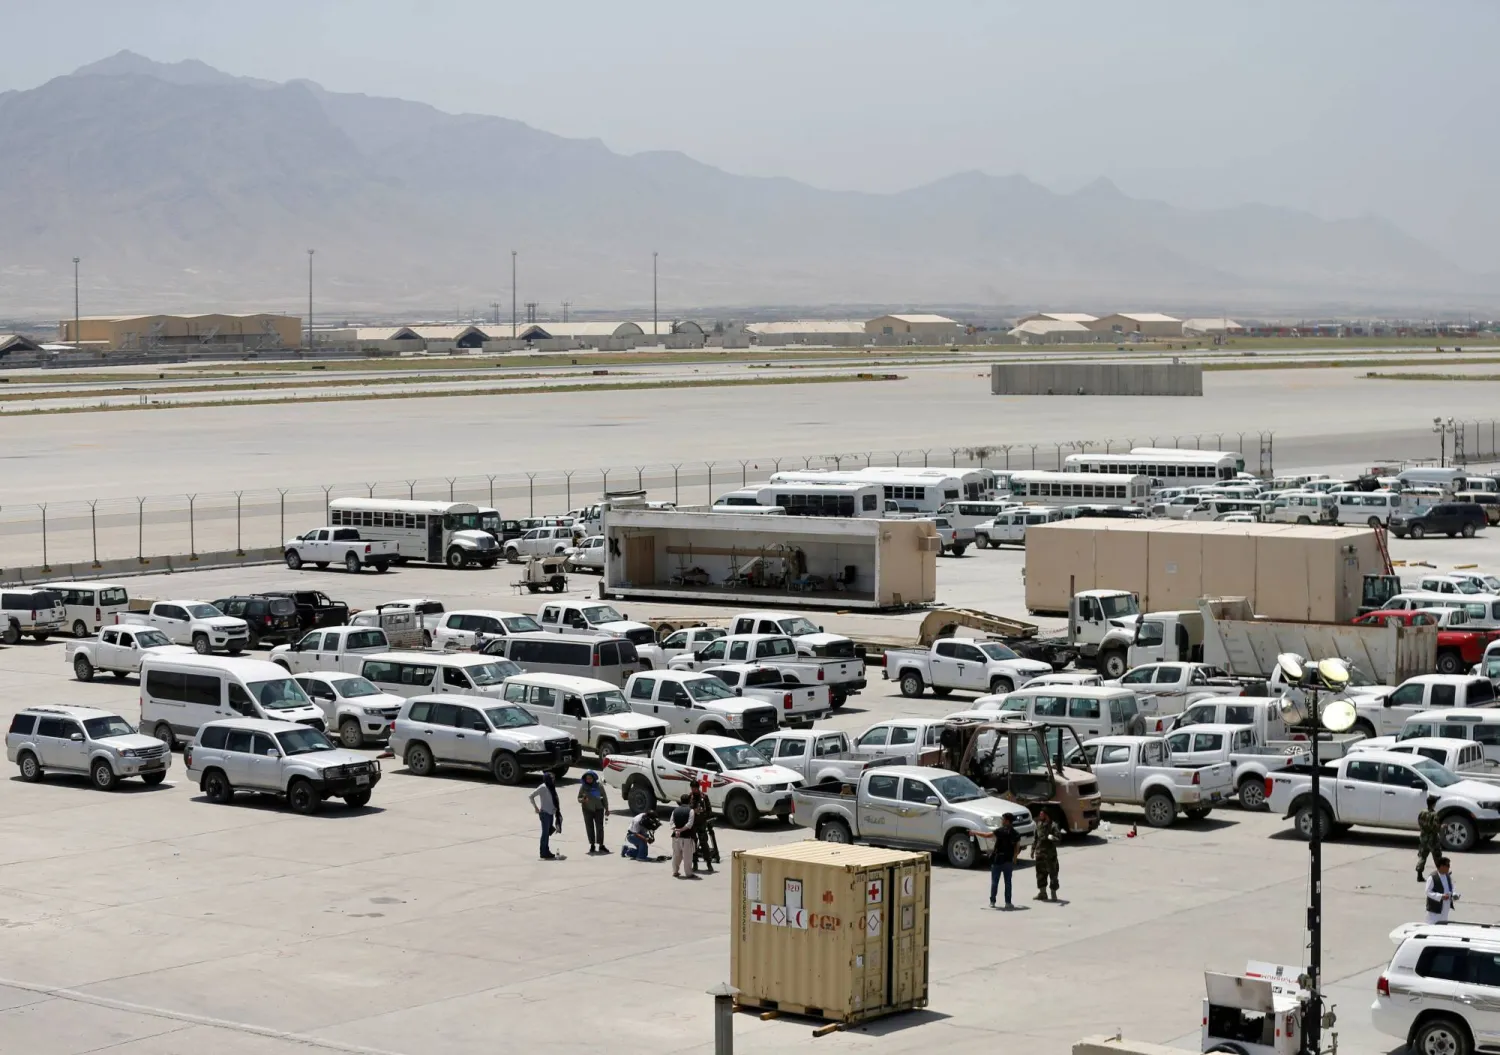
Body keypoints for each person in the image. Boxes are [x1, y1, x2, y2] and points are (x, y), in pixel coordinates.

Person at [989, 813, 1021, 909]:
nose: (1002, 821)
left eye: (1003, 819)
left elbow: (987, 835)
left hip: (997, 860)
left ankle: (992, 902)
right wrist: (1014, 858)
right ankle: (1008, 902)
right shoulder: (1015, 833)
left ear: (1007, 821)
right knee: (1008, 882)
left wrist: (975, 833)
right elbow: (1017, 848)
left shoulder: (1000, 831)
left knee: (995, 882)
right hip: (1008, 861)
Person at [529, 772, 562, 861]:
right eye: (551, 778)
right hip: (544, 813)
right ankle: (543, 852)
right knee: (545, 834)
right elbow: (531, 796)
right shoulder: (543, 787)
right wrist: (536, 808)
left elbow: (553, 799)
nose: (553, 780)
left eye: (554, 778)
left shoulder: (551, 787)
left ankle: (546, 851)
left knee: (547, 833)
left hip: (551, 813)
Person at [577, 770, 610, 854]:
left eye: (590, 778)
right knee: (589, 827)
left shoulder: (599, 786)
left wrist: (607, 808)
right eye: (587, 778)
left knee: (600, 827)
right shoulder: (583, 787)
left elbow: (604, 797)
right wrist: (583, 800)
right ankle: (592, 845)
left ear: (594, 778)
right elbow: (579, 798)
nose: (588, 780)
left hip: (599, 809)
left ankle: (601, 845)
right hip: (587, 810)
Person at [689, 783, 718, 873]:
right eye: (692, 788)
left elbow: (709, 810)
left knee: (704, 844)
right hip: (693, 824)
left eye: (695, 788)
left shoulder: (704, 797)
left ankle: (708, 863)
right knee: (693, 844)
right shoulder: (690, 797)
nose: (694, 790)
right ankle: (695, 863)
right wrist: (693, 811)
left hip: (702, 823)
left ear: (698, 788)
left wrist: (703, 813)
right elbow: (687, 809)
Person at [1033, 810, 1060, 902]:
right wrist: (1033, 850)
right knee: (1040, 874)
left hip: (1050, 855)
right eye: (1040, 813)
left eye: (1042, 814)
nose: (1040, 815)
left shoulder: (1053, 825)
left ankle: (1053, 893)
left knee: (1053, 874)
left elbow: (1059, 839)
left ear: (1047, 815)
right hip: (1040, 854)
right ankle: (1042, 893)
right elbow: (1036, 838)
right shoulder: (1039, 824)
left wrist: (1052, 838)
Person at [670, 794, 698, 879]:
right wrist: (681, 830)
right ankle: (688, 873)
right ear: (689, 801)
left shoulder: (675, 810)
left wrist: (676, 830)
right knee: (688, 856)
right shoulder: (691, 811)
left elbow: (671, 823)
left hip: (676, 837)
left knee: (676, 855)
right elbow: (689, 824)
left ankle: (675, 871)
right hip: (687, 837)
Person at [1426, 858, 1458, 923]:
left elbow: (1452, 887)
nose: (1449, 868)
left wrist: (1454, 894)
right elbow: (1428, 891)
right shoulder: (1432, 877)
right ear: (1441, 866)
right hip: (1435, 907)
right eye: (1447, 866)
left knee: (1443, 923)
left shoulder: (1448, 876)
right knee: (1433, 923)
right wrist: (1441, 896)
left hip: (1446, 905)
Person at [1417, 795, 1441, 881]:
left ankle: (1419, 874)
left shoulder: (1422, 812)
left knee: (1422, 856)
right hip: (1432, 839)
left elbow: (1419, 823)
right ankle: (1441, 875)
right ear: (1433, 804)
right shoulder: (1434, 814)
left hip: (1423, 838)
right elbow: (1436, 828)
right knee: (1437, 856)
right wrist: (1442, 827)